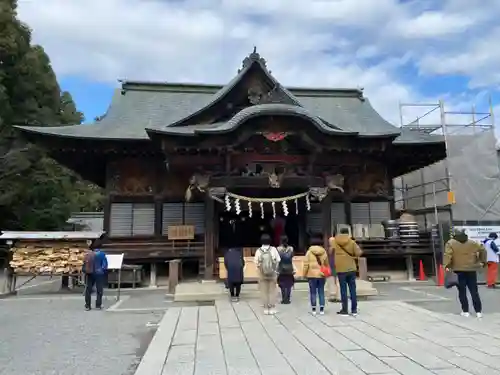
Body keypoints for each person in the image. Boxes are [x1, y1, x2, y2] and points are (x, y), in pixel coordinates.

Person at [443, 229, 486, 318]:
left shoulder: (450, 243)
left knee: (462, 292)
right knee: (474, 291)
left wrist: (446, 266)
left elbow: (448, 255)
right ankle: (478, 312)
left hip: (458, 270)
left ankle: (465, 311)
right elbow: (483, 250)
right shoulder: (472, 243)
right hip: (471, 270)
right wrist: (482, 261)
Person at [331, 227, 362, 316]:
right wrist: (353, 256)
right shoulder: (352, 242)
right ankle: (354, 310)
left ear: (340, 233)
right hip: (351, 268)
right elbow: (359, 253)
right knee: (353, 289)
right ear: (348, 233)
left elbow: (330, 243)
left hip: (341, 269)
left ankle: (344, 309)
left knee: (343, 289)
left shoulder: (335, 241)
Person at [254, 234, 281, 315]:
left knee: (264, 291)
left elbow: (256, 262)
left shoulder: (258, 251)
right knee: (272, 291)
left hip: (262, 274)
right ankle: (272, 308)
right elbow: (278, 260)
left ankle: (266, 309)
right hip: (272, 273)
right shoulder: (273, 249)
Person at [303, 236, 329, 315]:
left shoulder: (308, 252)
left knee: (313, 292)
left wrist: (304, 274)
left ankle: (314, 309)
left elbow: (306, 265)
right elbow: (326, 263)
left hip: (311, 275)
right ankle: (321, 309)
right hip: (321, 275)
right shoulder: (323, 251)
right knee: (321, 291)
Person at [83, 238, 108, 311]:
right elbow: (105, 265)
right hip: (99, 273)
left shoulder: (89, 253)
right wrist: (103, 270)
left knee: (88, 289)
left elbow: (85, 262)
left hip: (90, 273)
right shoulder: (102, 254)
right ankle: (98, 304)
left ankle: (87, 305)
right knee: (99, 289)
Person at [277, 235, 295, 304]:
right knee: (289, 284)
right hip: (290, 268)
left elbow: (277, 259)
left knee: (282, 284)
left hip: (281, 268)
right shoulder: (291, 248)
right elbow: (292, 256)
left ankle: (283, 299)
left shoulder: (278, 249)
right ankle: (288, 299)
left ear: (281, 241)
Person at [327, 234, 341, 302]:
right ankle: (338, 296)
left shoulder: (330, 249)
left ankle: (333, 296)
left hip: (332, 266)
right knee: (337, 282)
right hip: (337, 266)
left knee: (332, 282)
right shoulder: (338, 248)